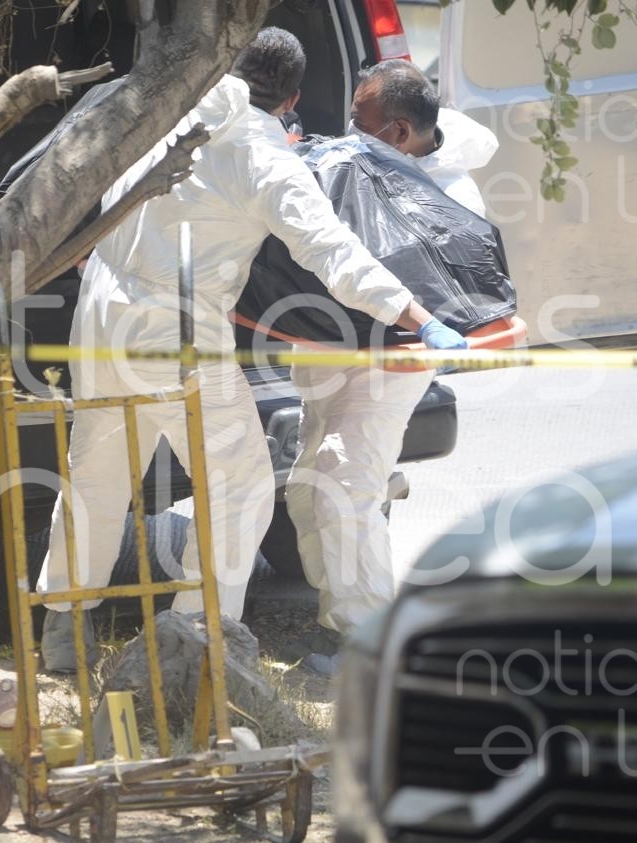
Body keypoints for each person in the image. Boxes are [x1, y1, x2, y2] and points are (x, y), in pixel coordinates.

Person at [37, 30, 467, 672]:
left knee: (97, 474)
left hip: (99, 311)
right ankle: (197, 639)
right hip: (177, 334)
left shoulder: (164, 111)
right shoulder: (264, 156)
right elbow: (332, 254)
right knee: (239, 484)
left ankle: (63, 631)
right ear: (292, 97)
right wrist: (415, 314)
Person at [286, 59, 499, 675]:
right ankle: (345, 625)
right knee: (310, 494)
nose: (350, 131)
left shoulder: (448, 198)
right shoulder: (371, 163)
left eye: (362, 121)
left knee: (344, 485)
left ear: (400, 132)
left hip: (389, 363)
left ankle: (371, 648)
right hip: (336, 357)